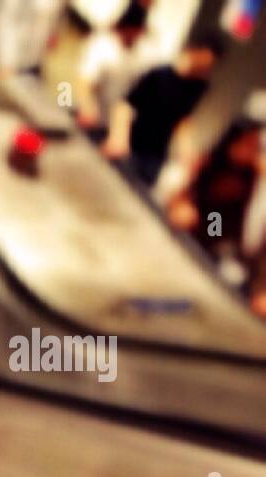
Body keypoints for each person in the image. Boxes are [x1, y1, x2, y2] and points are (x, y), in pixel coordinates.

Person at [167, 118, 266, 315]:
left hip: (228, 247)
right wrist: (182, 205)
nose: (252, 149)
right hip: (203, 234)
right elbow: (185, 195)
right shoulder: (210, 163)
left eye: (255, 146)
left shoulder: (253, 176)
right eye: (248, 143)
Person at [102, 35, 221, 186]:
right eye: (203, 60)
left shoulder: (198, 87)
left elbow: (182, 121)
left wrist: (187, 153)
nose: (204, 68)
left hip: (156, 155)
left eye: (209, 65)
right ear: (192, 52)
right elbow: (125, 106)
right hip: (132, 143)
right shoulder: (158, 74)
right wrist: (118, 138)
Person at [76, 1, 160, 133]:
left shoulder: (144, 53)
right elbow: (85, 82)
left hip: (117, 127)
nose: (133, 37)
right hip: (92, 119)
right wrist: (88, 107)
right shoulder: (102, 45)